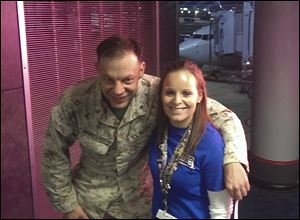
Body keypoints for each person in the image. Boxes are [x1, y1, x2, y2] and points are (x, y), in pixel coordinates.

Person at [41, 35, 249, 219]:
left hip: (139, 205)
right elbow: (53, 153)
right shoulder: (76, 100)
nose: (118, 89)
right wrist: (67, 204)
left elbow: (224, 116)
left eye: (127, 80)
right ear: (97, 69)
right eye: (108, 80)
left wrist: (233, 160)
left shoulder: (160, 92)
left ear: (141, 70)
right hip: (89, 205)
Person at [148, 60, 234, 219]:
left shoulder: (210, 143)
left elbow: (220, 210)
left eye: (186, 93)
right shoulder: (158, 131)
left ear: (199, 96)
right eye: (169, 93)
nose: (176, 100)